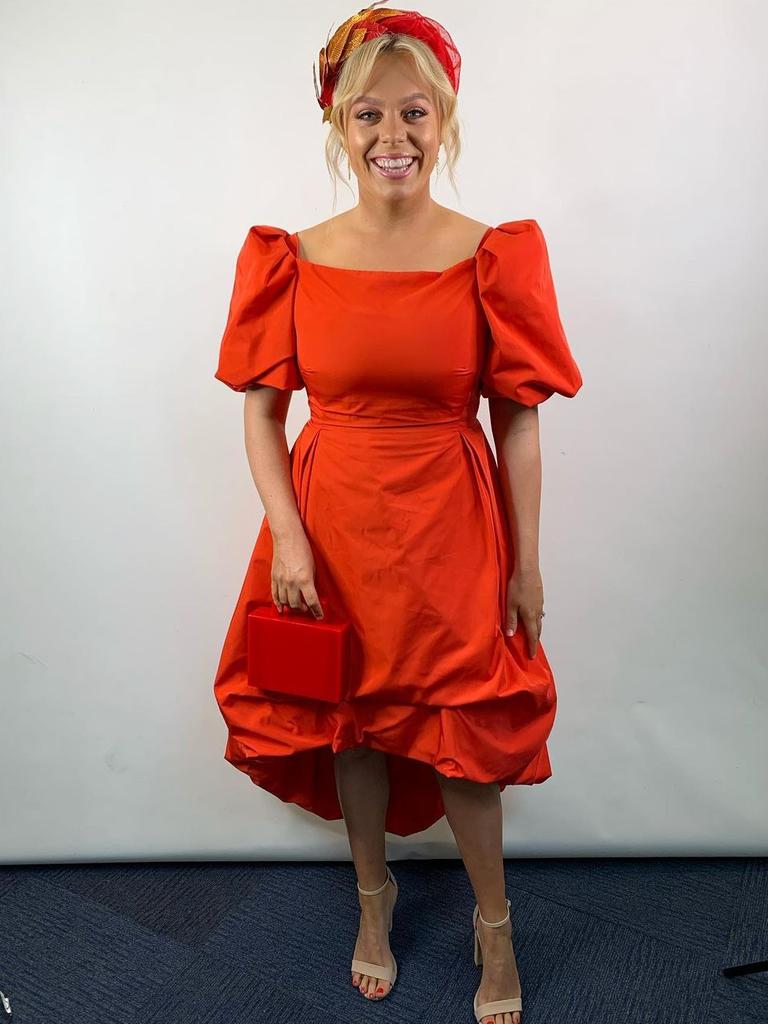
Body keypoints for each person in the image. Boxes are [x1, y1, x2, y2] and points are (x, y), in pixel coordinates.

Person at [212, 4, 583, 1022]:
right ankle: (373, 904)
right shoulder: (291, 254)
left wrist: (527, 563)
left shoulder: (492, 254)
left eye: (414, 112)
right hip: (331, 522)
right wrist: (287, 535)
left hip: (452, 524)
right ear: (337, 124)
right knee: (355, 723)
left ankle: (492, 924)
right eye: (368, 113)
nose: (393, 136)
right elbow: (261, 413)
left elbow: (518, 425)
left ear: (444, 116)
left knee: (465, 727)